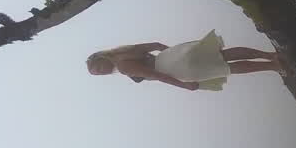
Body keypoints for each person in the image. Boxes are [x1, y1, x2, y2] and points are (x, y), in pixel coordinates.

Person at [86, 30, 283, 91]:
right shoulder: (124, 52)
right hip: (172, 57)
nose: (102, 72)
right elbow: (155, 44)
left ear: (102, 58)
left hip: (173, 70)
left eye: (98, 68)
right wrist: (174, 52)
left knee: (227, 68)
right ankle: (271, 56)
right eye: (98, 74)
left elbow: (156, 75)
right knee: (224, 55)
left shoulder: (123, 67)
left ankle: (273, 65)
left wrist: (183, 85)